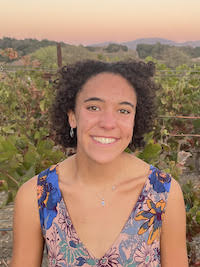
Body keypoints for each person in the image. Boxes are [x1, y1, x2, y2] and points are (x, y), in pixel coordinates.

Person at [10, 60, 188, 267]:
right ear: (72, 117)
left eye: (123, 110)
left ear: (135, 120)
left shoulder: (163, 193)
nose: (108, 123)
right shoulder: (36, 195)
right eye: (93, 107)